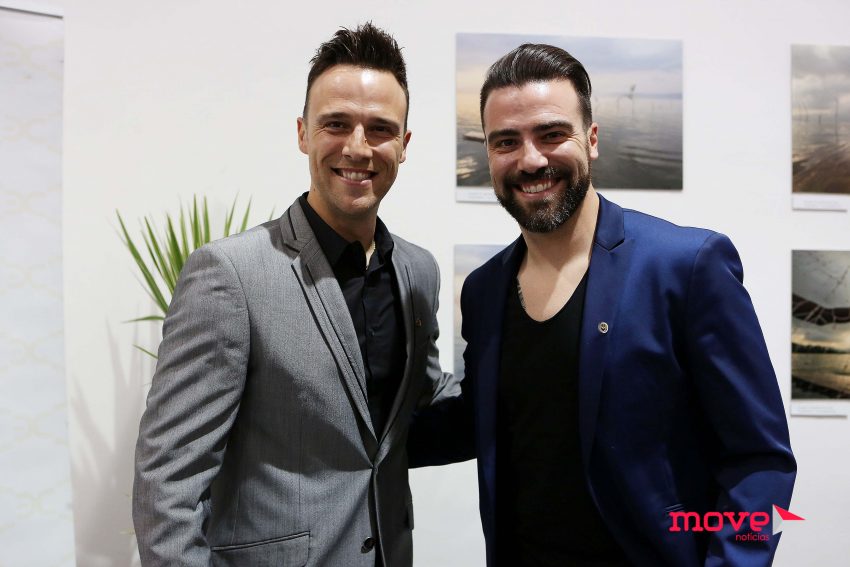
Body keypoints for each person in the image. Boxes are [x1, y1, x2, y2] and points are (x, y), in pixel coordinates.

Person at [413, 44, 796, 566]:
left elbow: (760, 461)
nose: (530, 159)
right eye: (506, 141)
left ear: (591, 140)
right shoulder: (484, 290)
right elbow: (483, 421)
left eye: (552, 134)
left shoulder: (686, 266)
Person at [133, 23, 456, 567]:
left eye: (380, 128)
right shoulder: (230, 274)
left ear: (404, 145)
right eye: (337, 123)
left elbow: (418, 407)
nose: (358, 147)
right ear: (303, 133)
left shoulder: (417, 272)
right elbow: (167, 483)